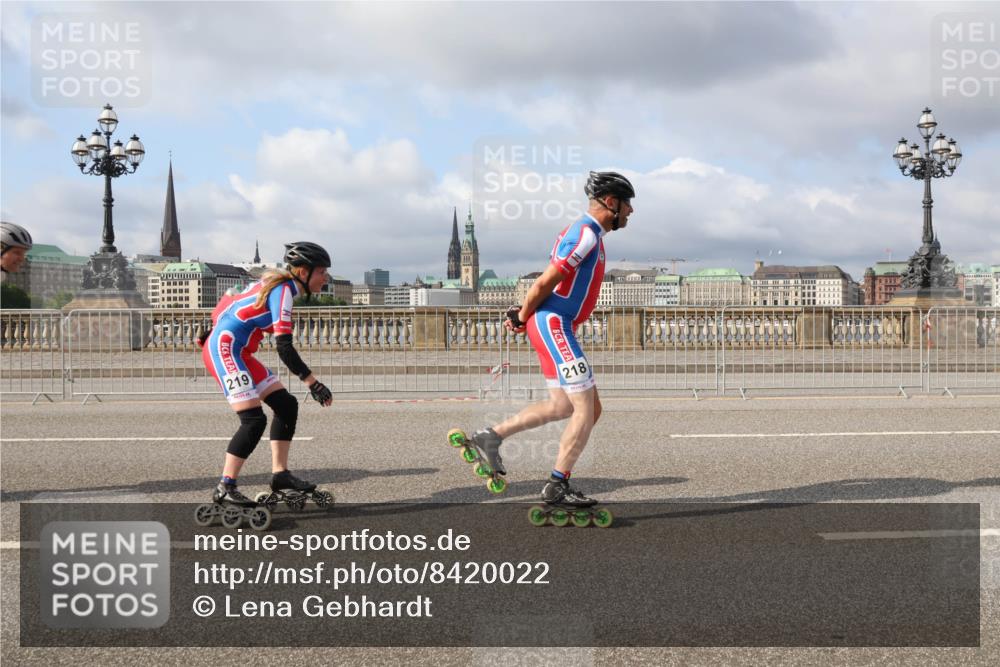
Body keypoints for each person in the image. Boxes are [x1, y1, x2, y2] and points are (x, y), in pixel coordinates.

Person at [466, 171, 635, 509]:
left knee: (562, 406)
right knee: (587, 409)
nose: (631, 211)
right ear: (611, 203)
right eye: (628, 204)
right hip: (555, 323)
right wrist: (523, 315)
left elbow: (551, 287)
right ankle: (558, 485)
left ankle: (491, 437)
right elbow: (544, 283)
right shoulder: (586, 235)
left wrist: (526, 316)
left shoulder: (589, 235)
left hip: (555, 323)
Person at [199, 241, 334, 519]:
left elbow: (231, 298)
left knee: (286, 405)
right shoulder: (283, 291)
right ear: (302, 271)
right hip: (226, 349)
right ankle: (226, 486)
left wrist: (211, 326)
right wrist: (313, 383)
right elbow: (284, 347)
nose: (326, 278)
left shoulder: (274, 284)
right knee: (253, 420)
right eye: (322, 272)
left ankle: (280, 474)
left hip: (238, 349)